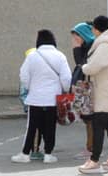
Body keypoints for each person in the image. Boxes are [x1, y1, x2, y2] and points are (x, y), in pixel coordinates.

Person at [79, 15, 108, 172]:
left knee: (98, 125)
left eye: (93, 28)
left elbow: (95, 66)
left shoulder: (106, 45)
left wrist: (84, 67)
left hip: (104, 91)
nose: (92, 31)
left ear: (98, 29)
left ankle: (94, 160)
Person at [16, 29, 71, 163]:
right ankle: (48, 154)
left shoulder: (32, 56)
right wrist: (63, 90)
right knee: (50, 127)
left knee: (31, 127)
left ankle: (25, 154)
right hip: (53, 99)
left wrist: (30, 87)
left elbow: (23, 76)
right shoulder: (60, 56)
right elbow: (66, 78)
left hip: (35, 99)